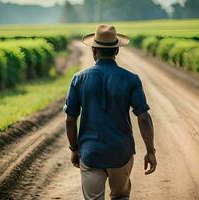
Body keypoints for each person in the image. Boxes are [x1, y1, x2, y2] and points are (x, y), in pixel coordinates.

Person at [64, 24, 157, 200]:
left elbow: (70, 120)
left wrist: (74, 149)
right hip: (121, 151)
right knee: (121, 196)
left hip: (91, 152)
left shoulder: (79, 79)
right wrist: (150, 151)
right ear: (117, 50)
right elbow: (143, 117)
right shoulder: (131, 79)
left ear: (94, 50)